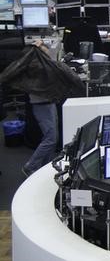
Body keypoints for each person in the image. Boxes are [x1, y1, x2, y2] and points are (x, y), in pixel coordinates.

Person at [22, 41, 59, 177]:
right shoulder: (35, 68)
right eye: (45, 53)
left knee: (53, 137)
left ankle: (45, 167)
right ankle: (30, 166)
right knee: (50, 138)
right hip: (42, 104)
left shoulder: (40, 65)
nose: (47, 55)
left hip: (49, 102)